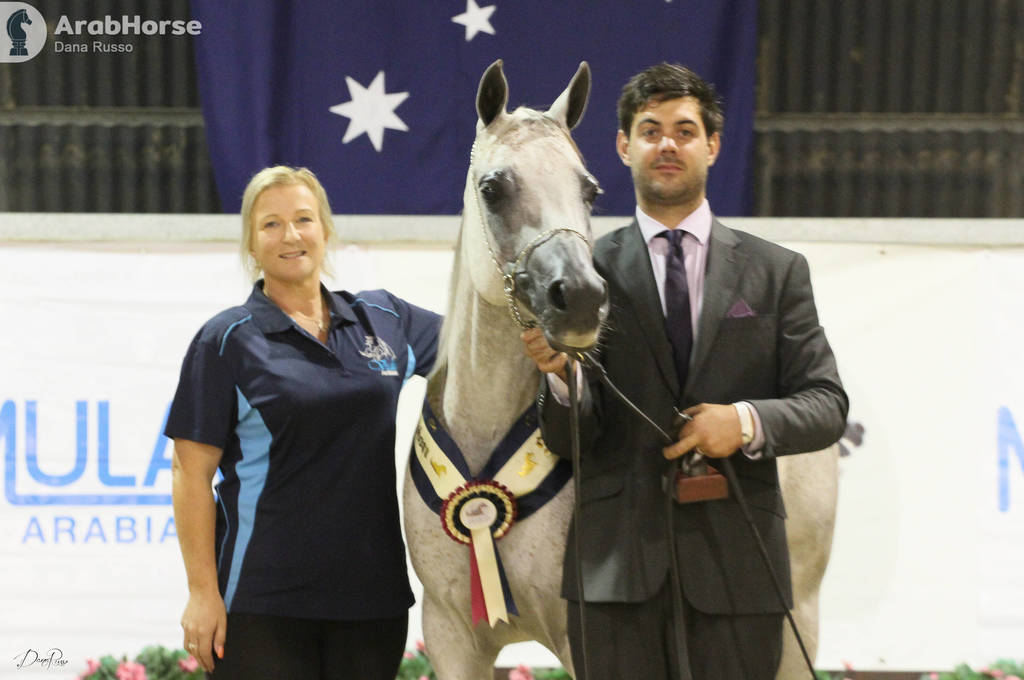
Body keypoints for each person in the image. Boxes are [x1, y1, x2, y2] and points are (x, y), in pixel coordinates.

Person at [522, 63, 848, 679]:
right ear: (624, 146)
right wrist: (560, 379)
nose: (667, 144)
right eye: (650, 131)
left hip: (739, 575)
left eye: (684, 130)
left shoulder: (776, 272)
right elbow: (570, 441)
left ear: (713, 146)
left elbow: (826, 405)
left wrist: (743, 422)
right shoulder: (584, 273)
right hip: (613, 577)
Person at [166, 166, 441, 679]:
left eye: (303, 219)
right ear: (252, 244)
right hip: (263, 604)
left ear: (325, 230)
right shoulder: (227, 339)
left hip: (373, 601)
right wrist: (202, 592)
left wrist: (546, 344)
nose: (290, 235)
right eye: (270, 224)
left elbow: (476, 350)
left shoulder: (384, 320)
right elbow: (189, 473)